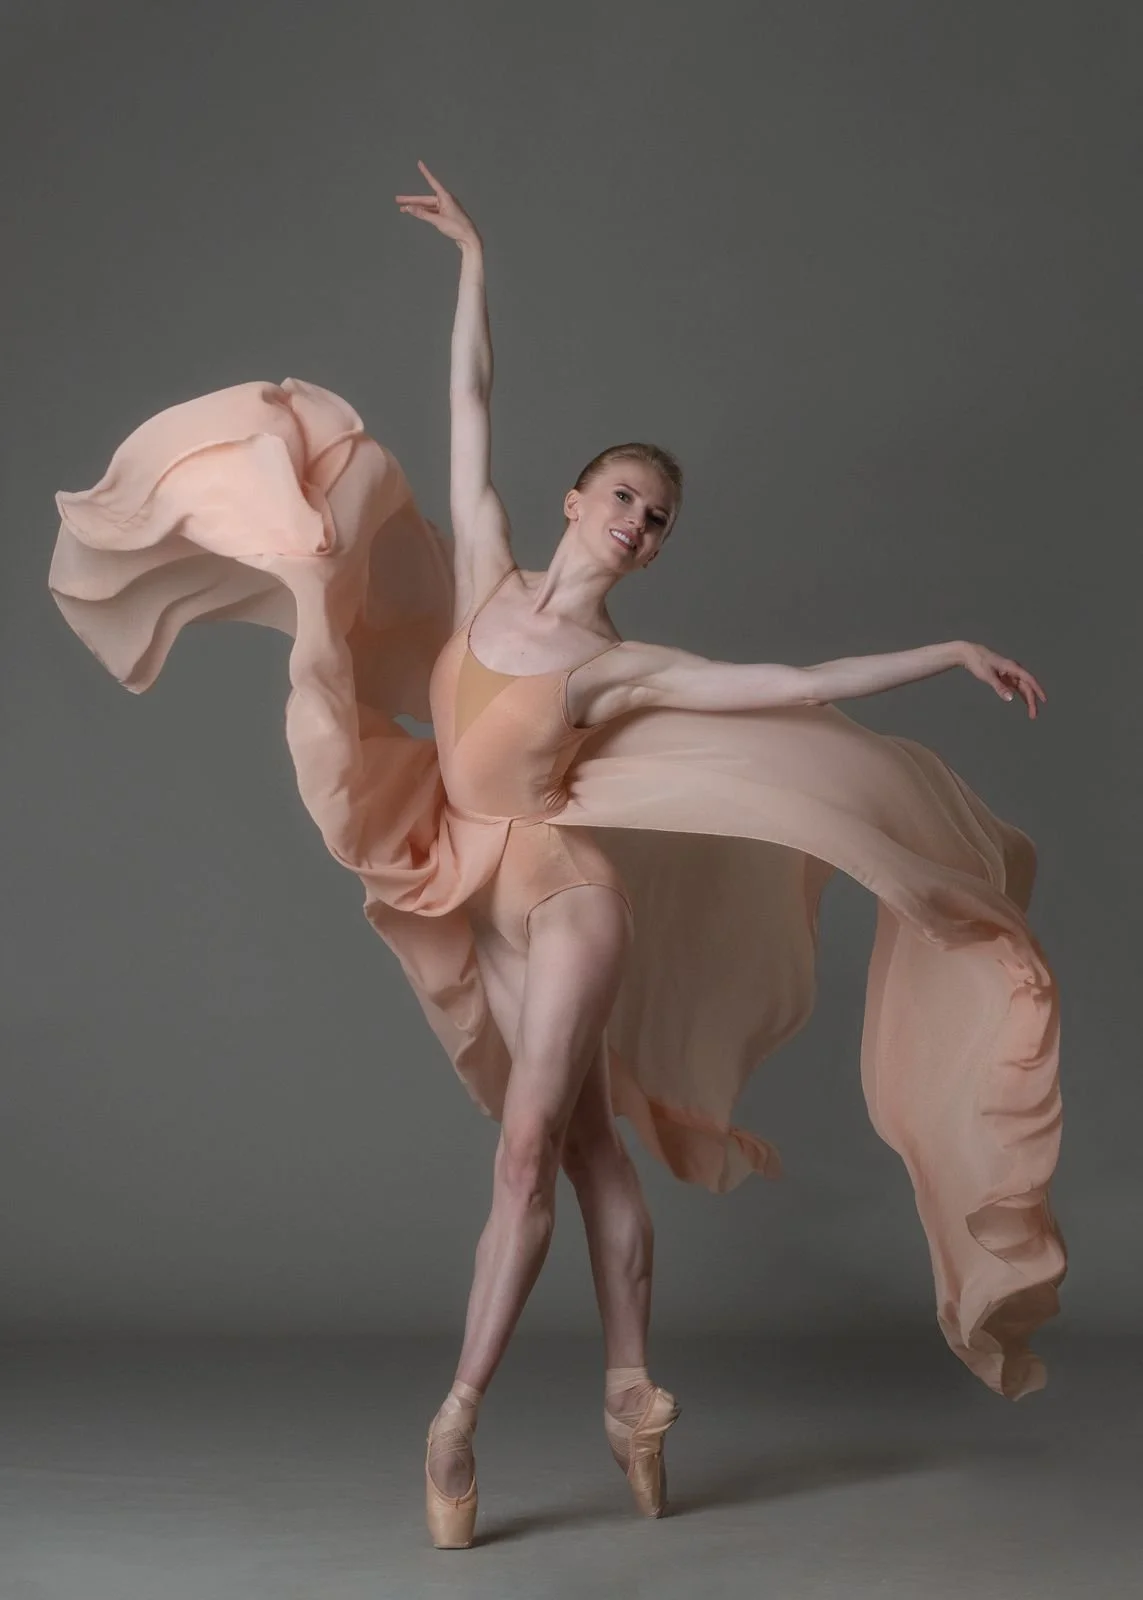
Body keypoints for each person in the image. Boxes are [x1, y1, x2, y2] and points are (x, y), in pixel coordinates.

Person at [48, 163, 1065, 1554]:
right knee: (586, 1151)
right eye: (625, 497)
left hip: (570, 897)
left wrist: (945, 649)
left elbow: (790, 677)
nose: (636, 524)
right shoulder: (483, 570)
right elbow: (466, 410)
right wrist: (474, 260)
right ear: (579, 495)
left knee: (523, 1154)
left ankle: (455, 1418)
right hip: (475, 876)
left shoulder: (613, 665)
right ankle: (635, 1393)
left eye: (656, 521)